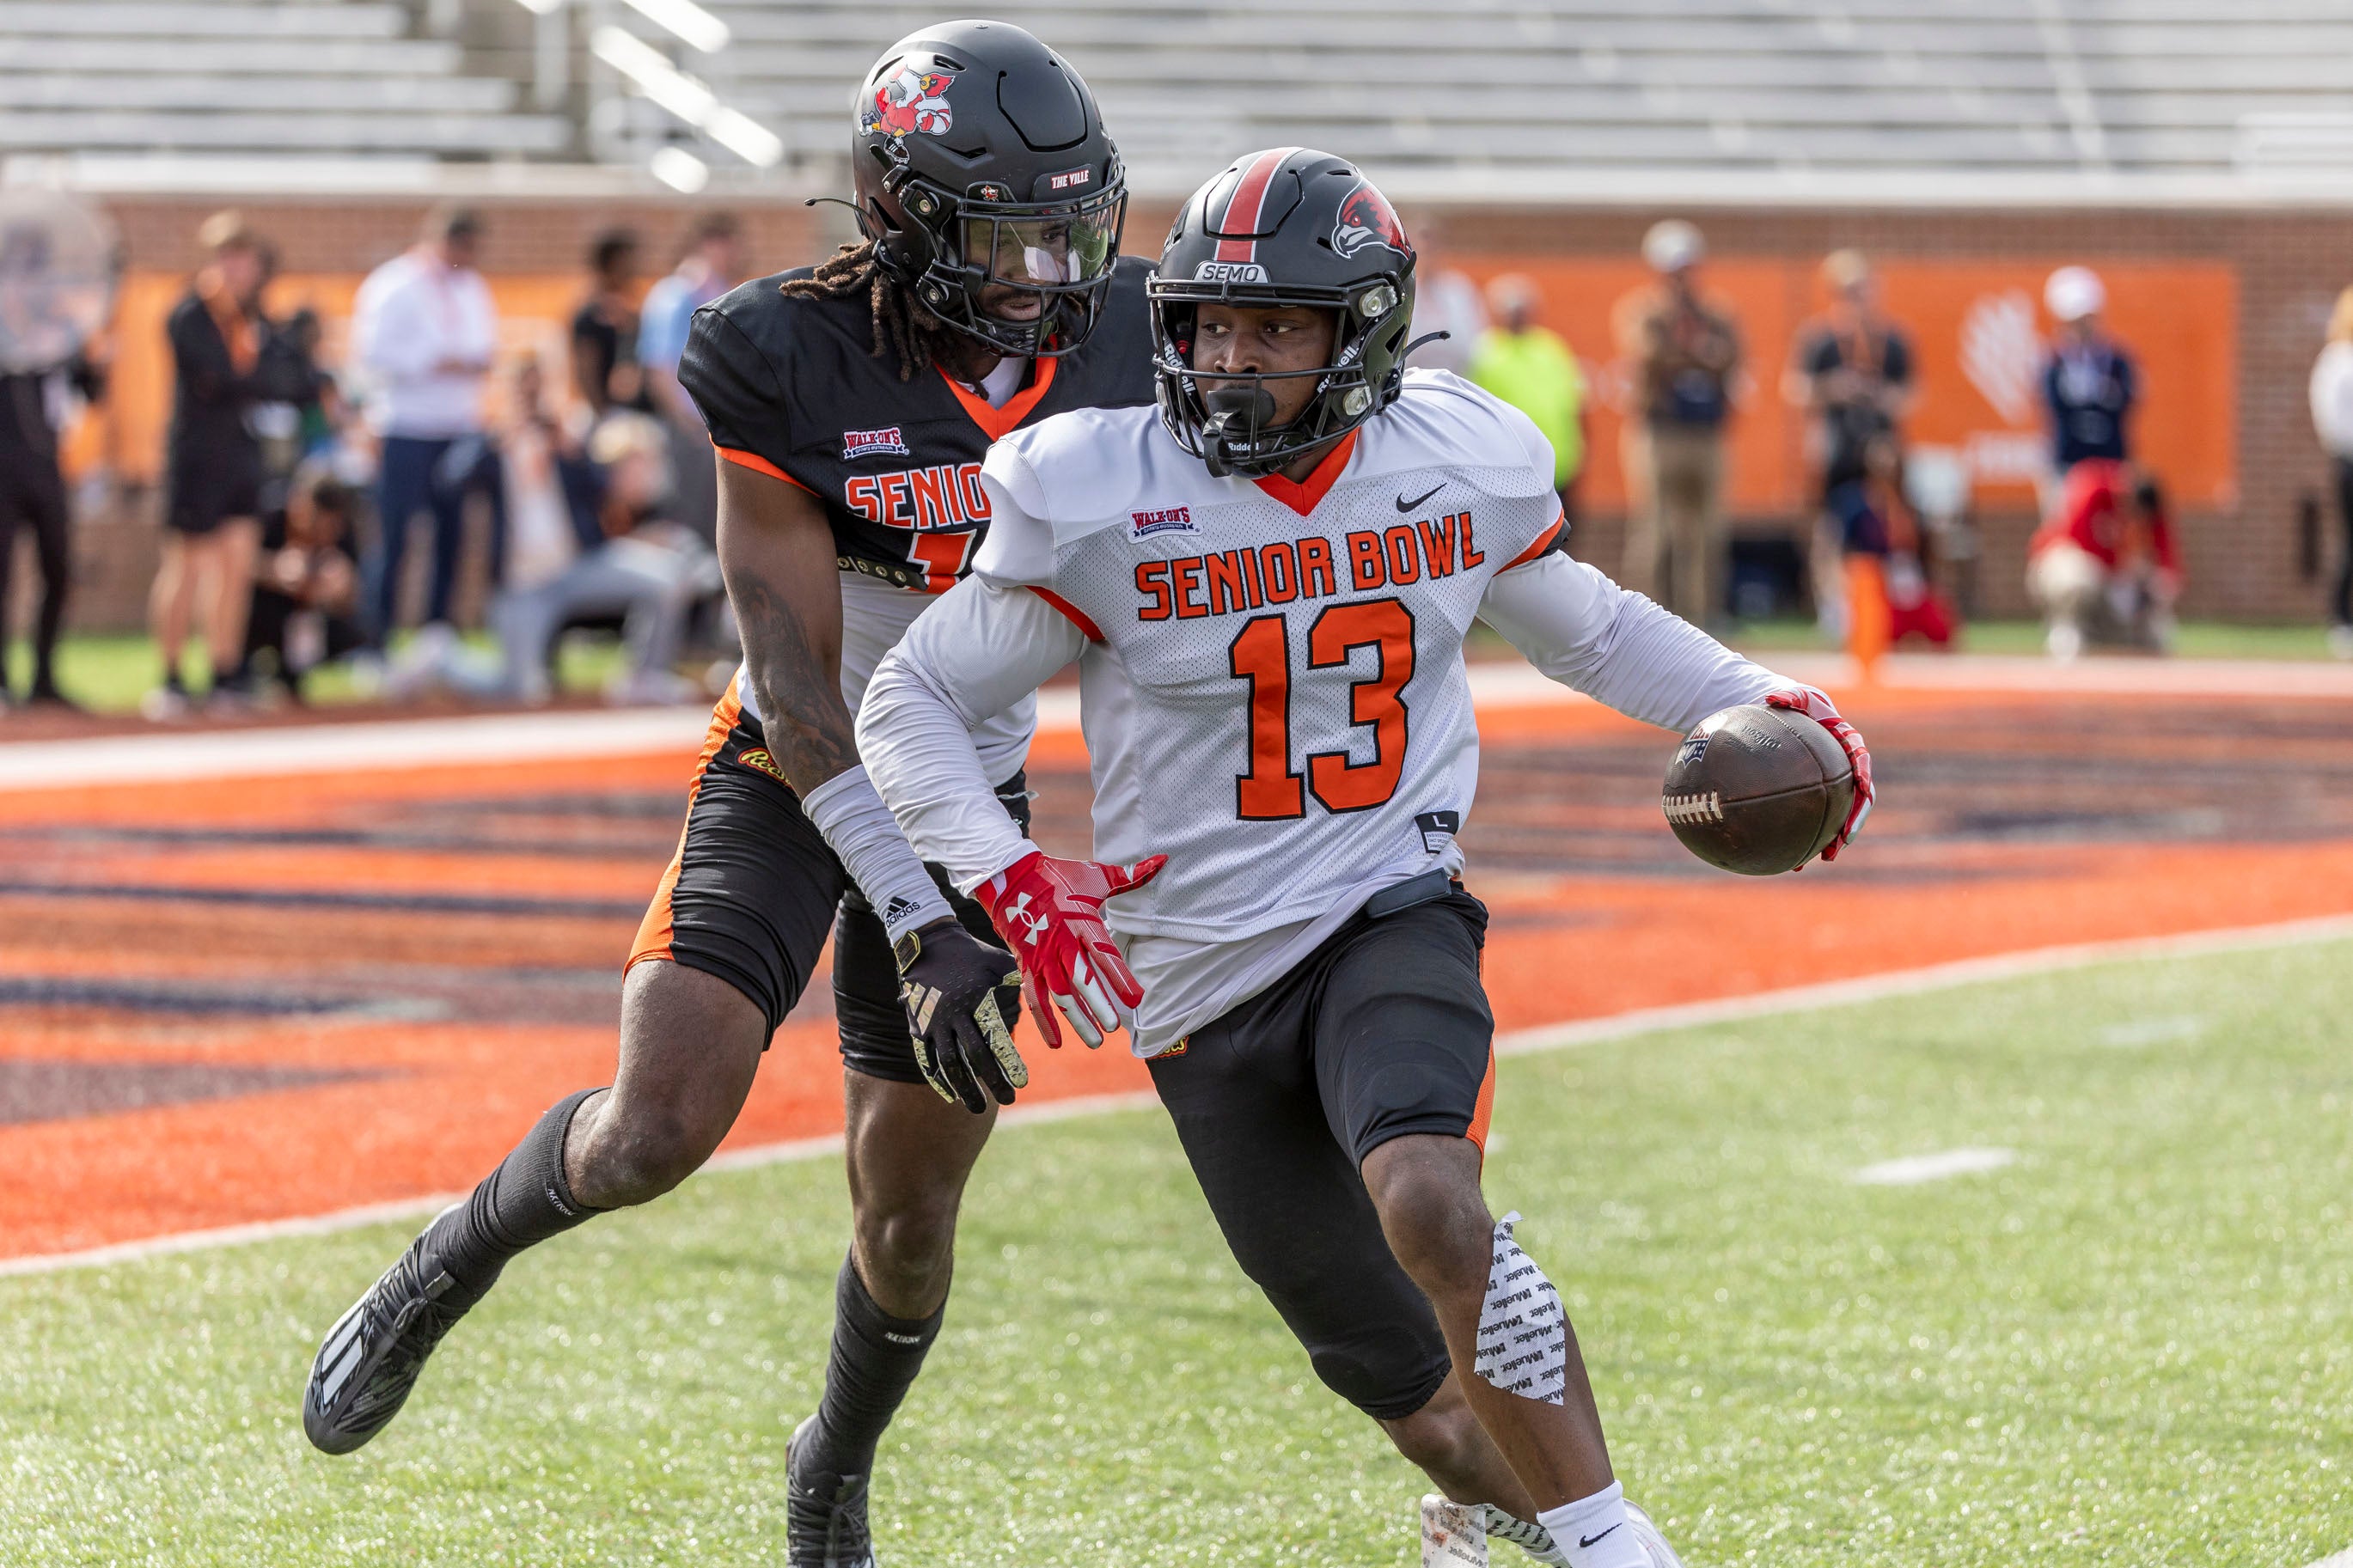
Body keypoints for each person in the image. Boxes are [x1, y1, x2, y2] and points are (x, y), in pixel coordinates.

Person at [858, 149, 1874, 1568]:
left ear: (1364, 333)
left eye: (1274, 326)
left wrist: (1744, 699)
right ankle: (1488, 1500)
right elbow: (906, 700)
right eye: (1209, 324)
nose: (1230, 359)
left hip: (1380, 899)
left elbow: (1580, 624)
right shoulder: (1098, 492)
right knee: (1419, 1406)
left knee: (1430, 1199)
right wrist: (1003, 880)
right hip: (1193, 984)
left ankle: (1614, 1544)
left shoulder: (1450, 463)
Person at [303, 26, 1154, 1568]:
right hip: (794, 760)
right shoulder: (779, 349)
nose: (1041, 269)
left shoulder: (1132, 333)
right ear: (896, 218)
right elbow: (804, 682)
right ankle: (447, 1260)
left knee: (908, 1220)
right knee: (653, 1129)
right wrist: (912, 917)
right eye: (999, 232)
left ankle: (830, 1464)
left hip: (974, 791)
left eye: (1063, 226)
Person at [150, 211, 307, 717]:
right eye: (230, 258)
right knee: (188, 564)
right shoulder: (190, 314)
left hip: (242, 455)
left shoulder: (254, 320)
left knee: (236, 566)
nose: (239, 270)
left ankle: (225, 672)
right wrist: (267, 377)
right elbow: (222, 377)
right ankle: (171, 676)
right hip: (197, 457)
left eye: (247, 260)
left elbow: (289, 377)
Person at [352, 206, 499, 650]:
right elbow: (370, 353)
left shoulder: (473, 287)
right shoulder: (393, 284)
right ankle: (375, 641)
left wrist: (467, 360)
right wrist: (431, 360)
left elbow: (486, 348)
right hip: (406, 427)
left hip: (457, 427)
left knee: (450, 539)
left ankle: (437, 639)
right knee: (395, 537)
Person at [1615, 219, 1739, 627]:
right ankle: (1651, 621)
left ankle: (1704, 618)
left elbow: (1731, 357)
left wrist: (1692, 354)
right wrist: (1696, 352)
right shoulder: (1644, 311)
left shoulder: (1717, 313)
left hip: (1705, 432)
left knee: (1707, 533)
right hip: (1659, 431)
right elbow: (1649, 356)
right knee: (1656, 530)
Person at [1786, 250, 1915, 640]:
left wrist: (1877, 395)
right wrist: (1835, 389)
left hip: (1880, 451)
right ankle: (1832, 608)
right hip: (1837, 447)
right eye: (1849, 291)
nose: (1857, 299)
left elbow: (1910, 394)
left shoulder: (1891, 340)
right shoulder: (1820, 339)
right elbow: (1796, 389)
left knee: (1889, 523)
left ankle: (1894, 601)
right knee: (1829, 531)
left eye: (1863, 290)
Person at [0, 340, 102, 710]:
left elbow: (89, 394)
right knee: (2, 576)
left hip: (47, 470)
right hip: (4, 473)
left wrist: (92, 363)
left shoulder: (56, 339)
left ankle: (44, 676)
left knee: (59, 571)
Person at [640, 212, 748, 546]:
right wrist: (691, 424)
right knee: (687, 517)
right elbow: (659, 369)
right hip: (689, 428)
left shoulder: (722, 291)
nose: (734, 254)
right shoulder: (674, 295)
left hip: (714, 428)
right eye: (727, 246)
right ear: (707, 246)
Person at [1824, 435, 1956, 675]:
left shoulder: (1909, 503)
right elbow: (1841, 550)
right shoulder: (1854, 502)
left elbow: (1923, 553)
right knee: (1873, 631)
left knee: (1940, 628)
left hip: (1908, 585)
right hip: (1874, 584)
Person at [2026, 457, 2179, 661]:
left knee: (2153, 601)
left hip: (2112, 583)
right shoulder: (2094, 489)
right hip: (2059, 568)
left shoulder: (2149, 509)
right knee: (2076, 574)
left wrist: (2153, 584)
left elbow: (2168, 564)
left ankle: (2125, 642)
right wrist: (2121, 570)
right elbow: (2076, 540)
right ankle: (2066, 631)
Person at [1468, 274, 1588, 523]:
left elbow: (1575, 400)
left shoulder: (1551, 347)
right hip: (1512, 466)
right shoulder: (1486, 352)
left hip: (1561, 462)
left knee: (1565, 534)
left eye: (1522, 308)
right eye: (1511, 309)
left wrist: (1581, 449)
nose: (1518, 315)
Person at [243, 463, 366, 702]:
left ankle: (295, 680)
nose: (322, 531)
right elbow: (236, 568)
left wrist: (341, 585)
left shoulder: (344, 532)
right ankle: (243, 673)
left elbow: (353, 598)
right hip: (268, 608)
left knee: (352, 632)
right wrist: (274, 570)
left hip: (312, 617)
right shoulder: (270, 515)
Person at [2042, 266, 2136, 483]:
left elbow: (2127, 401)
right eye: (2076, 321)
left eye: (2087, 319)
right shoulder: (2055, 362)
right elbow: (2053, 404)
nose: (2082, 327)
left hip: (2111, 463)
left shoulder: (2117, 361)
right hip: (2068, 464)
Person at [2308, 285, 2353, 660]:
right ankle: (2341, 620)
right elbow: (2333, 420)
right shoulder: (2338, 361)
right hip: (2348, 461)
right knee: (2350, 542)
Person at [571, 228, 651, 419]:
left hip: (636, 414)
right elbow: (586, 370)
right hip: (606, 416)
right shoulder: (589, 317)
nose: (632, 271)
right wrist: (603, 417)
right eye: (625, 263)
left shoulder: (635, 313)